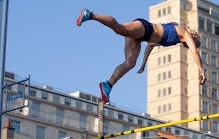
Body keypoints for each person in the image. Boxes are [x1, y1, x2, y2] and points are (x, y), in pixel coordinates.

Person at [76, 8, 207, 104]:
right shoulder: (185, 34)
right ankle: (91, 15)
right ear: (194, 37)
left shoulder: (176, 39)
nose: (193, 47)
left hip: (142, 38)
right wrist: (201, 70)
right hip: (145, 28)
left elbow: (150, 45)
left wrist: (144, 62)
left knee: (130, 63)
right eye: (196, 44)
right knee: (119, 29)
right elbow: (194, 52)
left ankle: (108, 85)